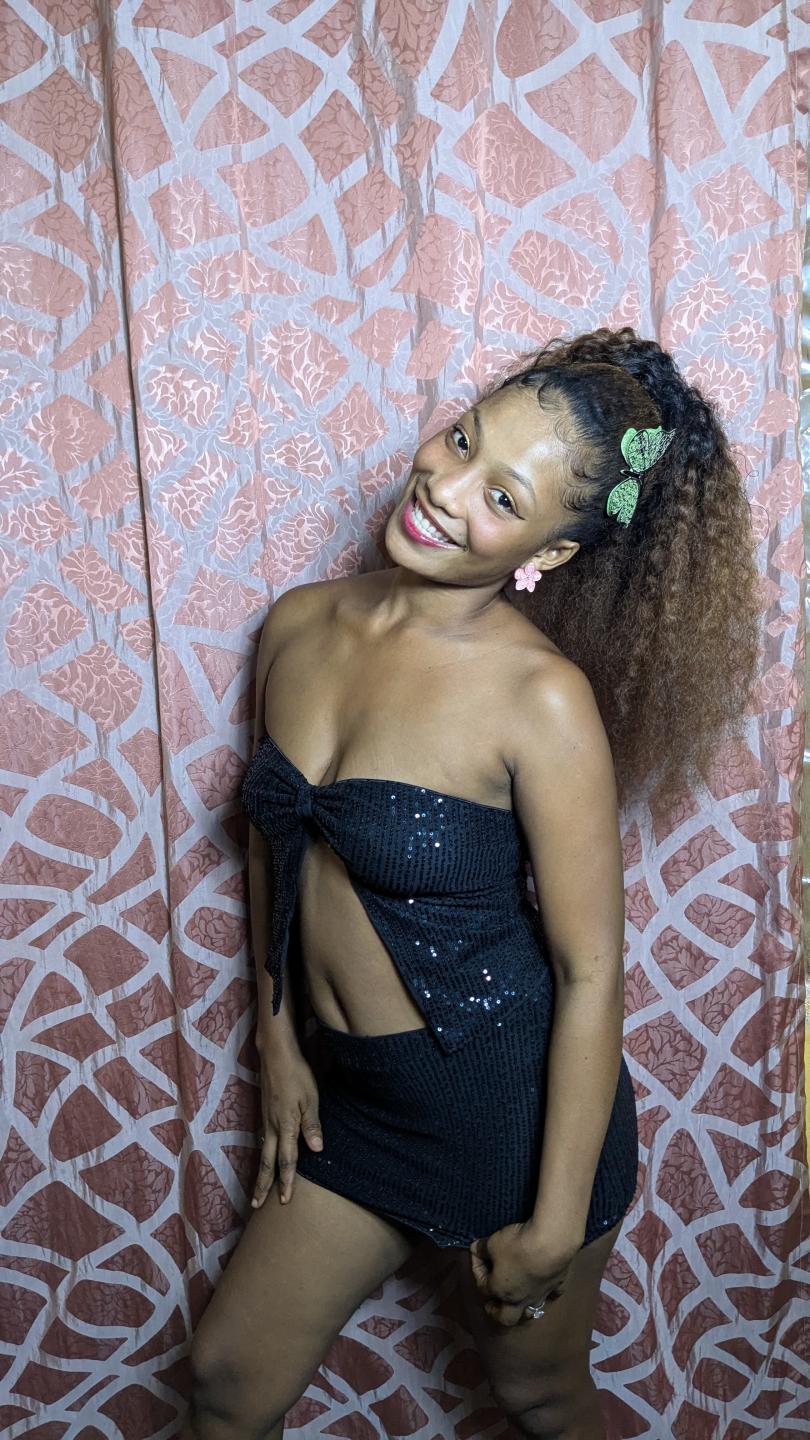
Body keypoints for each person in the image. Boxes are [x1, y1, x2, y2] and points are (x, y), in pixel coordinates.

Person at [180, 328, 759, 1440]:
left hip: (508, 1111)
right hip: (353, 1099)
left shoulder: (541, 701)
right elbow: (275, 842)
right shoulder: (297, 623)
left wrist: (554, 1220)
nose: (443, 490)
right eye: (461, 440)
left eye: (501, 497)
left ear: (553, 550)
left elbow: (590, 974)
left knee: (540, 1395)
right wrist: (278, 1040)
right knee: (223, 1381)